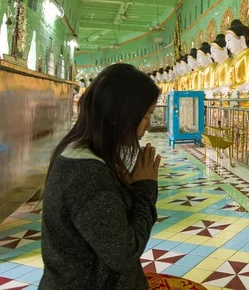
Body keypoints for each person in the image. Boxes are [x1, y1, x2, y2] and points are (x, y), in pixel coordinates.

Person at [40, 63, 162, 289]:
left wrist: (123, 190)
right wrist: (145, 191)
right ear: (124, 115)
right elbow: (123, 254)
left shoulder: (82, 155)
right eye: (146, 117)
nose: (148, 126)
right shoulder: (87, 176)